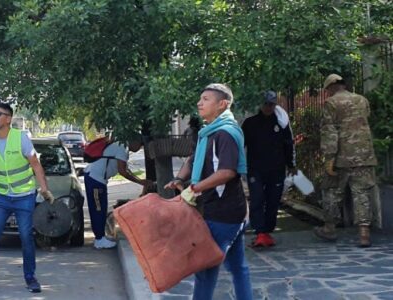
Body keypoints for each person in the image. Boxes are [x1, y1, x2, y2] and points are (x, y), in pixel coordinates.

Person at [165, 83, 252, 300]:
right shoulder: (208, 133)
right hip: (228, 211)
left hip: (224, 212)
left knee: (205, 270)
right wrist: (179, 178)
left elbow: (226, 172)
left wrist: (195, 188)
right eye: (200, 98)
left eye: (205, 99)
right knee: (238, 268)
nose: (199, 103)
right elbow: (192, 160)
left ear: (222, 104)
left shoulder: (226, 133)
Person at [0, 103, 54, 294]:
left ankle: (30, 278)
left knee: (26, 238)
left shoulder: (20, 139)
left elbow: (36, 166)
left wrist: (44, 189)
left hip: (24, 197)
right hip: (1, 197)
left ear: (8, 119)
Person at [314, 74, 378, 247]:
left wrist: (329, 158)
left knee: (333, 192)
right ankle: (364, 233)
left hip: (342, 157)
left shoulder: (331, 103)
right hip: (364, 156)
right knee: (362, 193)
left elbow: (329, 131)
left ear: (330, 88)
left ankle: (329, 227)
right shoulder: (362, 100)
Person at [242, 91, 295, 248]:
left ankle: (267, 231)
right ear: (261, 105)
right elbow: (240, 146)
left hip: (277, 169)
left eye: (271, 104)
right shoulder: (250, 123)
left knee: (273, 200)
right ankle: (259, 232)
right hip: (255, 169)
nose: (268, 107)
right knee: (257, 198)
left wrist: (291, 165)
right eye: (266, 104)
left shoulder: (282, 123)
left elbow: (288, 145)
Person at [83, 138, 153, 249]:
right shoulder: (122, 148)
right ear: (134, 141)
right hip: (95, 179)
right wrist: (140, 182)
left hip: (95, 178)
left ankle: (100, 237)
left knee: (100, 207)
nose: (139, 148)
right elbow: (122, 171)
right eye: (140, 144)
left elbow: (125, 168)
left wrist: (140, 181)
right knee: (98, 208)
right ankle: (99, 240)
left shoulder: (120, 146)